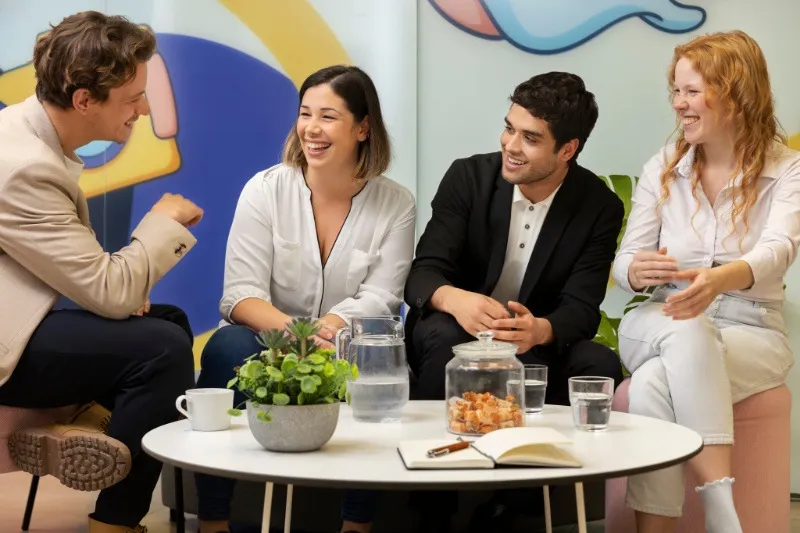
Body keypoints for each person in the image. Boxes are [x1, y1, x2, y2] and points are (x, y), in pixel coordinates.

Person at [0, 11, 203, 533]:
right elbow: (111, 292)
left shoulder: (31, 139)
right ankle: (114, 522)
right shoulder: (23, 165)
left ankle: (86, 421)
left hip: (17, 316)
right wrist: (161, 221)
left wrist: (117, 291)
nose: (145, 109)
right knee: (162, 350)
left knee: (170, 321)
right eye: (133, 98)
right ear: (84, 99)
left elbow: (72, 268)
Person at [193, 65, 416, 533]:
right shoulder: (265, 190)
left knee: (380, 362)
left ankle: (356, 524)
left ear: (362, 128)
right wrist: (297, 336)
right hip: (269, 340)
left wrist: (328, 330)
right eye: (305, 114)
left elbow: (382, 296)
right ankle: (213, 520)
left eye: (328, 117)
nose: (311, 128)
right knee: (227, 346)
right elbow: (239, 295)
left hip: (345, 342)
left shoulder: (396, 203)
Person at [403, 72, 625, 530]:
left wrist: (540, 329)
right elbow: (424, 273)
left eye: (530, 138)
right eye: (509, 128)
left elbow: (582, 308)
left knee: (597, 362)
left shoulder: (598, 205)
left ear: (568, 149)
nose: (511, 145)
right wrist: (457, 300)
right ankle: (432, 504)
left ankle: (517, 510)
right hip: (455, 330)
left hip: (533, 345)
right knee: (443, 335)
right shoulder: (468, 177)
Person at [613, 30, 798, 533]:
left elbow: (779, 249)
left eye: (692, 91)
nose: (679, 104)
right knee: (688, 326)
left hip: (752, 328)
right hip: (660, 316)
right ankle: (720, 505)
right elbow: (626, 261)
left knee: (652, 384)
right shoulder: (663, 166)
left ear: (736, 94)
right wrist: (635, 271)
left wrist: (719, 280)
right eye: (676, 91)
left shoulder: (787, 169)